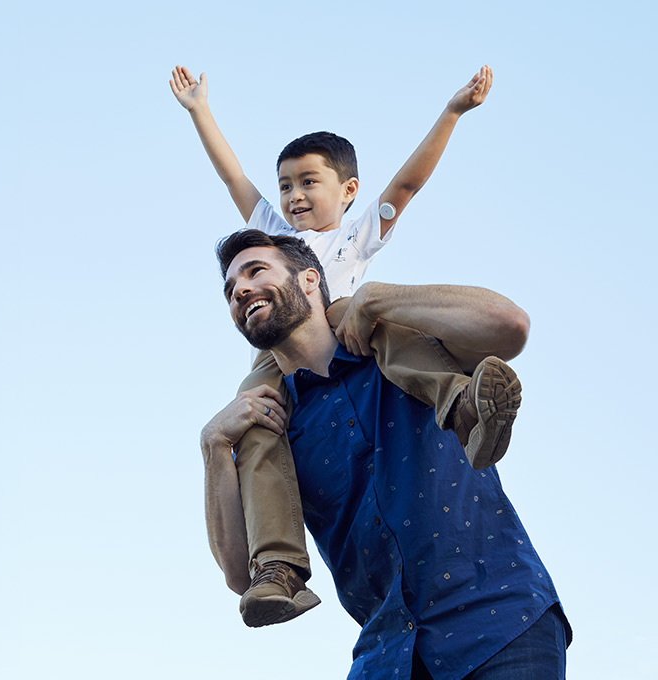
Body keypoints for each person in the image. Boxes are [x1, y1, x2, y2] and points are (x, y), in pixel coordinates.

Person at [171, 65, 515, 626]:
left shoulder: (354, 236)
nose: (294, 195)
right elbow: (233, 178)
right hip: (280, 351)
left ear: (348, 190)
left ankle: (463, 404)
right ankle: (277, 567)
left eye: (309, 182)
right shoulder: (271, 235)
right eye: (285, 185)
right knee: (257, 419)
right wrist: (199, 111)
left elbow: (406, 185)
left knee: (385, 330)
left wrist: (451, 113)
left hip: (344, 323)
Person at [201, 230, 571, 679]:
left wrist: (378, 299)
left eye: (256, 270)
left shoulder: (404, 347)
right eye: (230, 289)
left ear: (310, 280)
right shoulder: (269, 425)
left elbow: (510, 326)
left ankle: (467, 409)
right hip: (385, 655)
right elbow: (241, 577)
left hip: (498, 621)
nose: (239, 289)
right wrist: (215, 446)